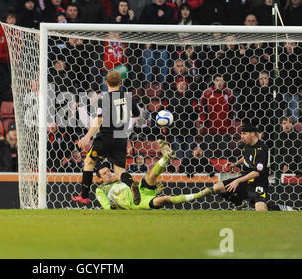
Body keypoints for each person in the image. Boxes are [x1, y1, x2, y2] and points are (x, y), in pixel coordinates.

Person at [72, 71, 140, 205]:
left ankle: (84, 196)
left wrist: (86, 137)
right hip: (121, 138)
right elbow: (136, 114)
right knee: (120, 171)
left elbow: (99, 120)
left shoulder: (104, 99)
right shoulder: (128, 97)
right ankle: (131, 184)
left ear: (106, 83)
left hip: (105, 138)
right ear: (121, 83)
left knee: (89, 163)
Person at [200, 122, 294, 211]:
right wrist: (235, 163)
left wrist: (237, 180)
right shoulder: (246, 145)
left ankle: (279, 208)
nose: (242, 136)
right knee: (217, 188)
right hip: (245, 180)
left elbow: (256, 172)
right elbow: (246, 156)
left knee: (260, 209)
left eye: (244, 134)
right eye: (241, 134)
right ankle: (239, 204)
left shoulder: (262, 149)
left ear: (252, 134)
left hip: (259, 183)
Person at [95, 142, 211, 210]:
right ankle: (201, 193)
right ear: (100, 178)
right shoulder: (100, 189)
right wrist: (113, 205)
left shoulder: (119, 180)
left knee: (151, 175)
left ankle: (166, 157)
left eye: (108, 171)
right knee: (165, 199)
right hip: (138, 203)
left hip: (139, 190)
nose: (109, 174)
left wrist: (154, 190)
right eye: (104, 174)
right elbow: (106, 207)